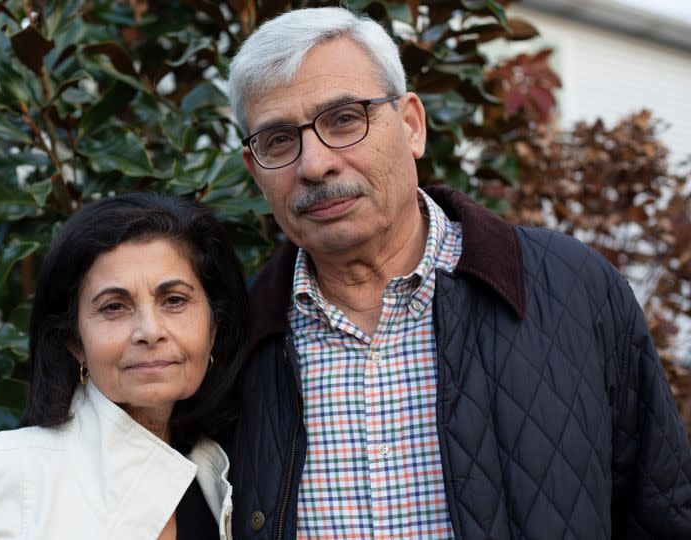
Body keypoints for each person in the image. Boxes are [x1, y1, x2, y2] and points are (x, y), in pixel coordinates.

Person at [225, 6, 691, 540]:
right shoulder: (232, 340)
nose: (315, 164)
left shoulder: (572, 290)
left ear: (411, 126)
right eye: (279, 141)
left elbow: (662, 516)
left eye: (345, 119)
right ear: (254, 169)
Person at [0, 193, 247, 539]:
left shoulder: (219, 475)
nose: (150, 332)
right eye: (113, 307)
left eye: (174, 300)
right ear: (75, 343)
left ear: (213, 328)